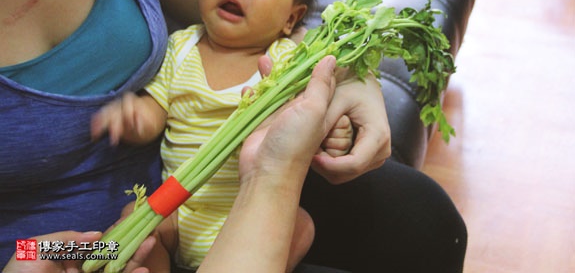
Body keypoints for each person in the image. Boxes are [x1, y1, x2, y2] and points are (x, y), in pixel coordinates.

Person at [0, 0, 466, 272]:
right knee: (94, 248)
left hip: (204, 208)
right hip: (74, 249)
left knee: (422, 218)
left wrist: (343, 73)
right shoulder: (182, 53)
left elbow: (259, 21)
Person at [90, 0, 353, 272]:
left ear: (291, 19)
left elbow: (312, 118)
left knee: (302, 226)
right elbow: (156, 111)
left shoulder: (287, 61)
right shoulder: (180, 47)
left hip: (253, 212)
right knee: (133, 218)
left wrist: (334, 129)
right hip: (175, 210)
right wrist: (136, 118)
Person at [2, 56, 346, 273]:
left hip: (84, 247)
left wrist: (28, 253)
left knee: (305, 225)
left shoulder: (35, 253)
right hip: (148, 228)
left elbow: (36, 253)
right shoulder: (183, 48)